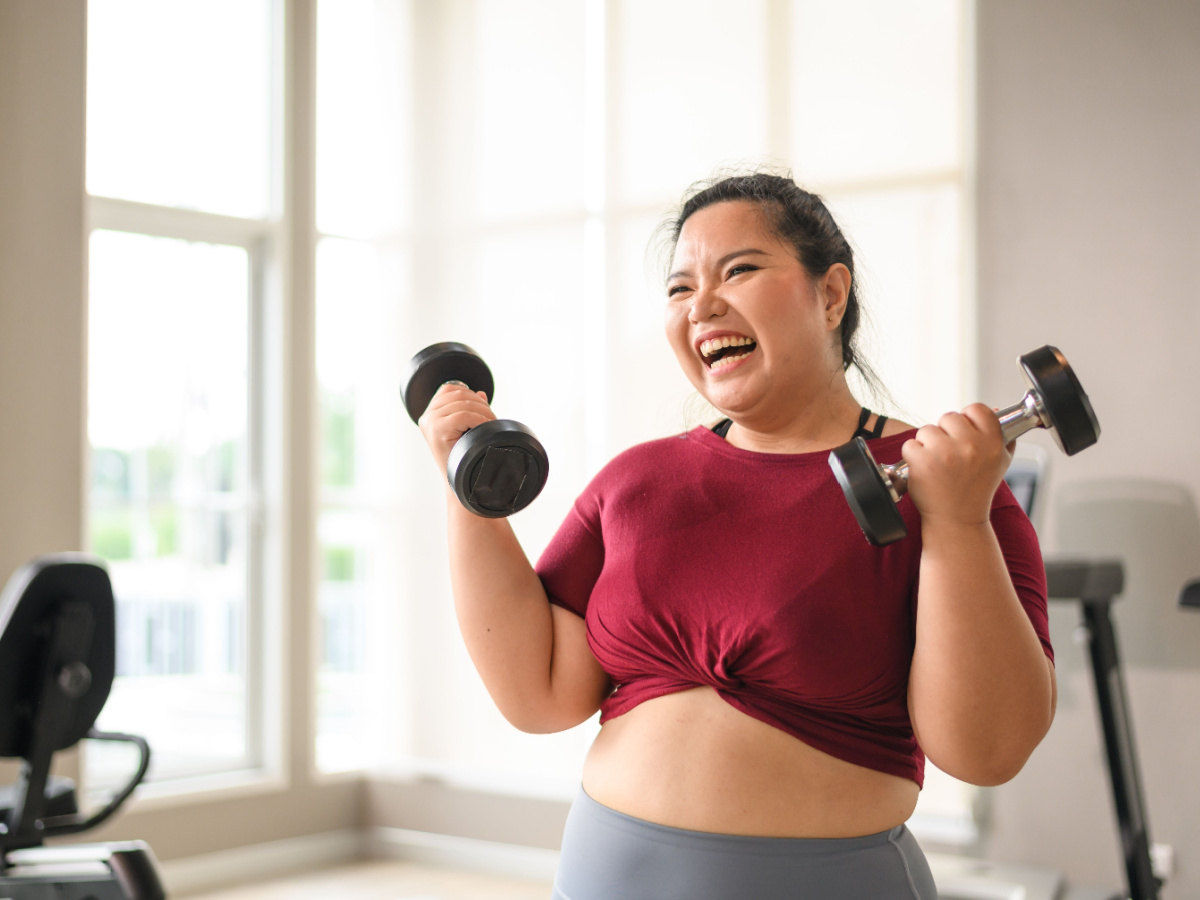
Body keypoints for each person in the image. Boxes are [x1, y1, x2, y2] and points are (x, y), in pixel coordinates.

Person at [418, 172, 1056, 900]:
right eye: (679, 288)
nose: (702, 306)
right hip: (602, 874)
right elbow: (540, 694)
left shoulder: (946, 481)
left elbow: (988, 751)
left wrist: (959, 521)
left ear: (830, 294)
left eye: (739, 270)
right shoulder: (636, 481)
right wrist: (467, 491)